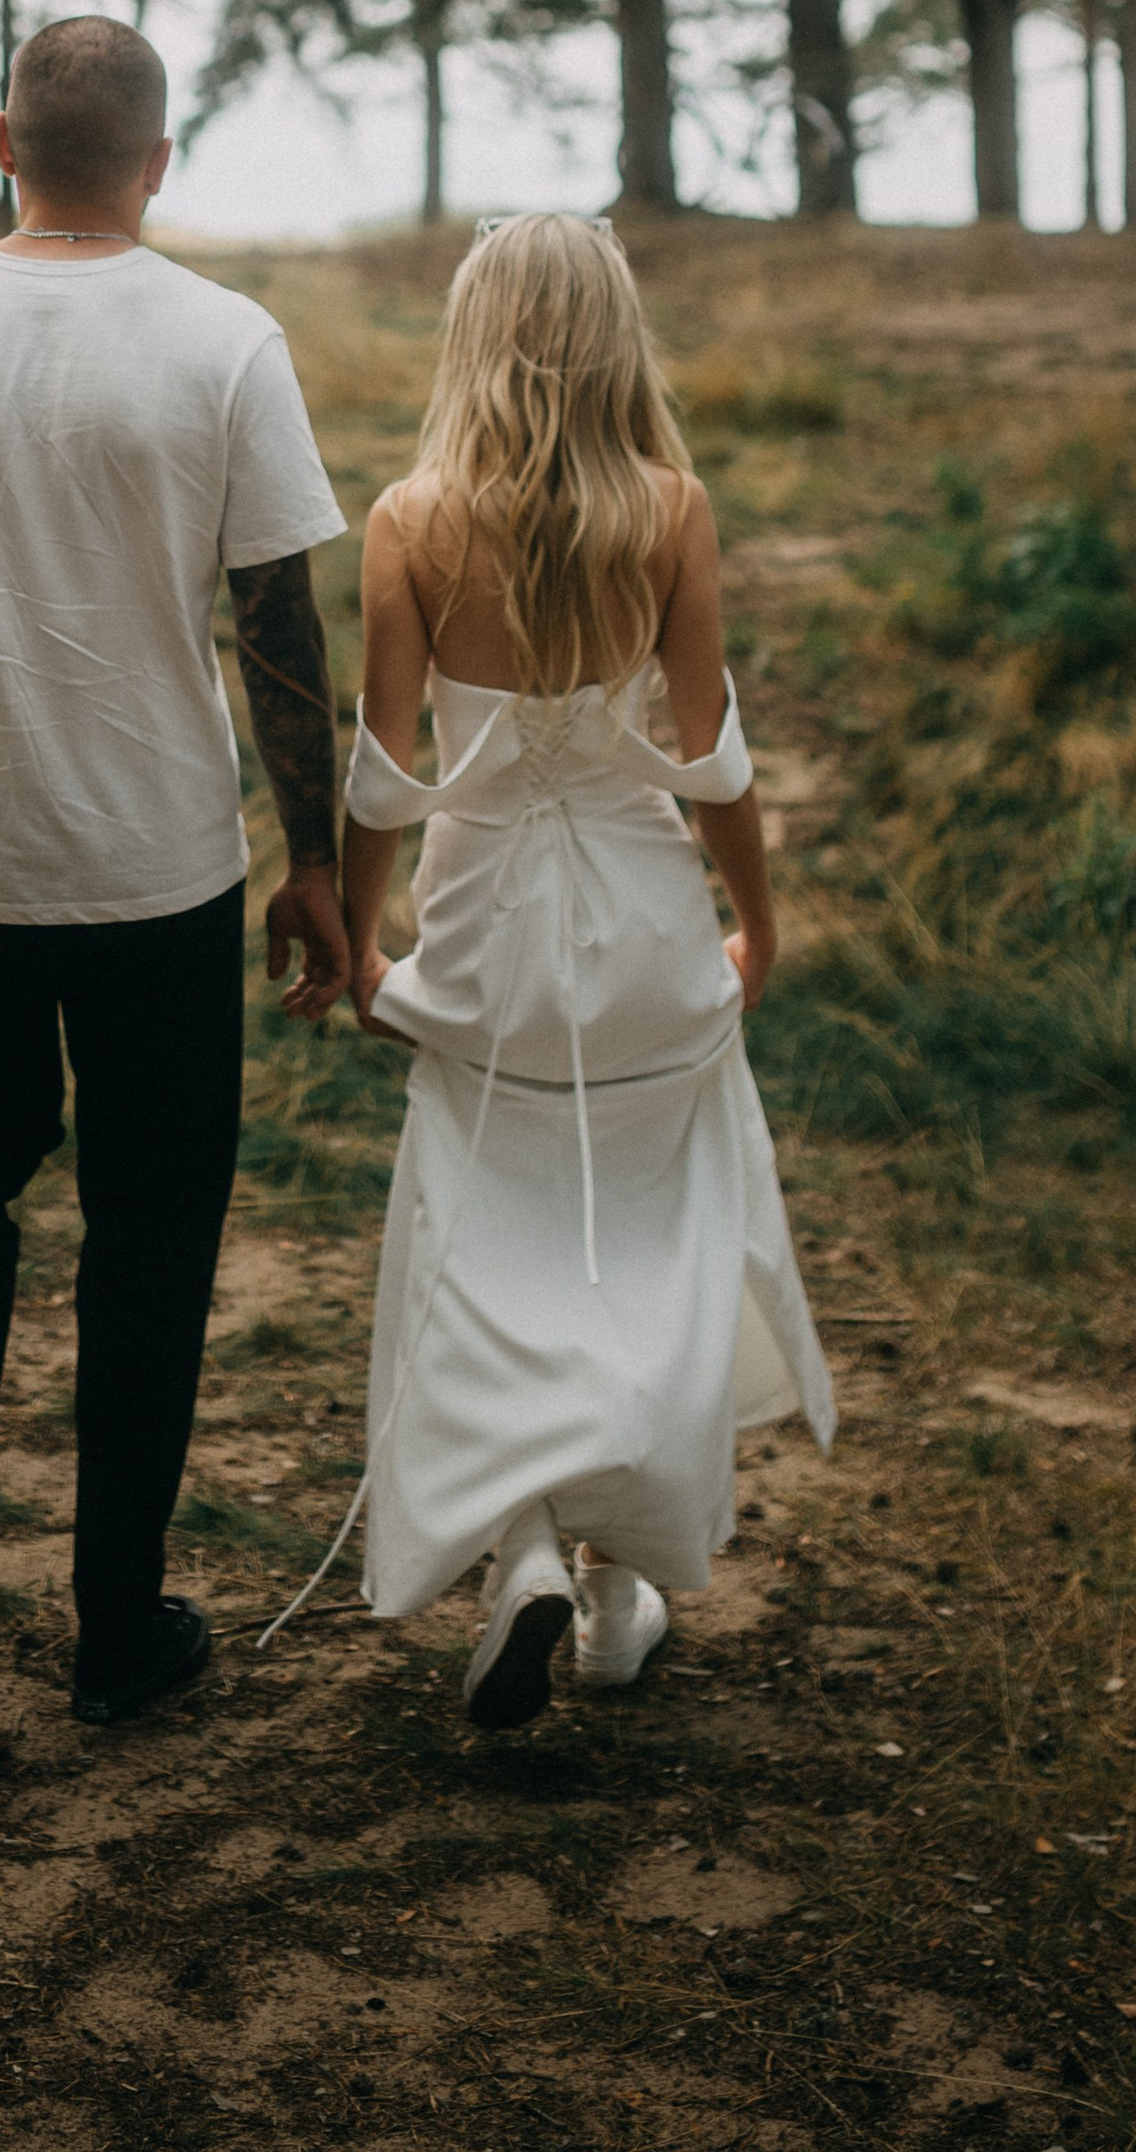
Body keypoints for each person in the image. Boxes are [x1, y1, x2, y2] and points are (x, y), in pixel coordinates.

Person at [0, 15, 351, 1727]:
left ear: (4, 142)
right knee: (152, 1234)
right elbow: (284, 633)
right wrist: (310, 862)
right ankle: (117, 1621)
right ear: (160, 162)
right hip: (159, 873)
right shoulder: (230, 344)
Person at [331, 213, 833, 1730]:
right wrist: (758, 917)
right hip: (642, 935)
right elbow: (711, 758)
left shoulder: (409, 521)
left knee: (489, 1243)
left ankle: (532, 1546)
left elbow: (381, 773)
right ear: (617, 335)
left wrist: (361, 935)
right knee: (651, 1252)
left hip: (488, 933)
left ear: (472, 337)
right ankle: (619, 1581)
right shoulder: (670, 511)